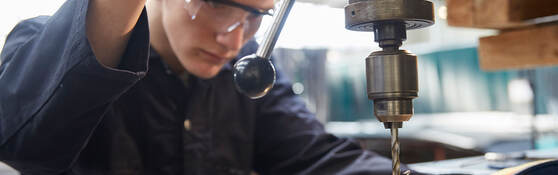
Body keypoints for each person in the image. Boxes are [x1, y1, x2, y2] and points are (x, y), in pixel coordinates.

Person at [0, 0, 422, 174]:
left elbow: (317, 157)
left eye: (257, 15)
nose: (235, 39)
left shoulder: (250, 69)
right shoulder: (45, 43)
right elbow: (25, 145)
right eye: (220, 3)